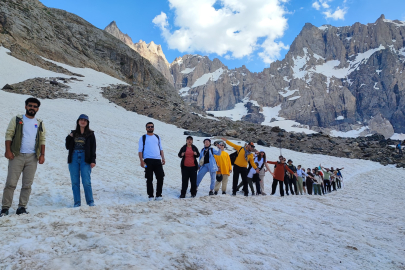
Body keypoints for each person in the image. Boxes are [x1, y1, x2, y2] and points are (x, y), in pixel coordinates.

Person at [1, 98, 46, 217]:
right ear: (26, 106)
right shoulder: (17, 120)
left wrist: (42, 155)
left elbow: (42, 139)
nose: (32, 108)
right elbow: (9, 134)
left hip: (32, 157)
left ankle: (22, 207)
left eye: (35, 106)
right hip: (17, 155)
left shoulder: (39, 122)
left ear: (37, 109)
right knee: (11, 183)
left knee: (27, 184)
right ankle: (5, 208)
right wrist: (8, 150)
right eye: (30, 105)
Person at [65, 114, 96, 207]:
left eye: (85, 120)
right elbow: (67, 146)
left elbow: (93, 148)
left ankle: (90, 202)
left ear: (87, 123)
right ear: (78, 121)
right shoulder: (73, 133)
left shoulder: (90, 134)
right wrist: (69, 136)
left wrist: (93, 160)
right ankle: (77, 203)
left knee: (86, 181)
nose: (83, 122)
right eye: (81, 120)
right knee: (75, 182)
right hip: (74, 157)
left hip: (85, 158)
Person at [138, 122, 165, 201]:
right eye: (148, 127)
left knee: (160, 177)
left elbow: (161, 148)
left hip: (157, 160)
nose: (150, 128)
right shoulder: (143, 138)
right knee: (149, 178)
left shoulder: (157, 137)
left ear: (154, 128)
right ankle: (150, 195)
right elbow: (140, 150)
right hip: (148, 160)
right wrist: (141, 161)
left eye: (151, 126)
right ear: (146, 128)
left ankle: (158, 195)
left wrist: (163, 158)